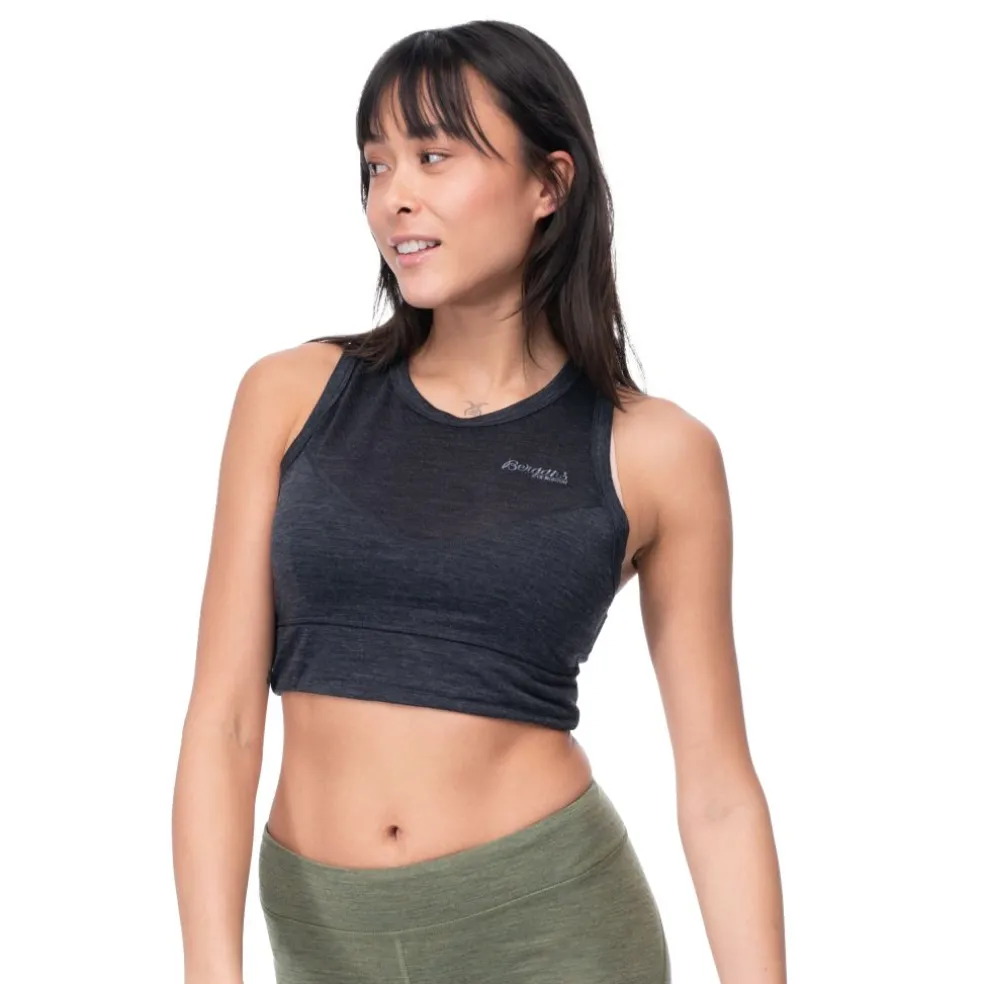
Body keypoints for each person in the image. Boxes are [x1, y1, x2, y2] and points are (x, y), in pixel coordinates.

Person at [172, 19, 786, 984]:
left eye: (433, 156)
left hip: (550, 924)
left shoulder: (654, 451)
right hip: (326, 935)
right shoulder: (290, 396)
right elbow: (223, 723)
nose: (393, 196)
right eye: (376, 164)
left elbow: (716, 790)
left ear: (549, 184)